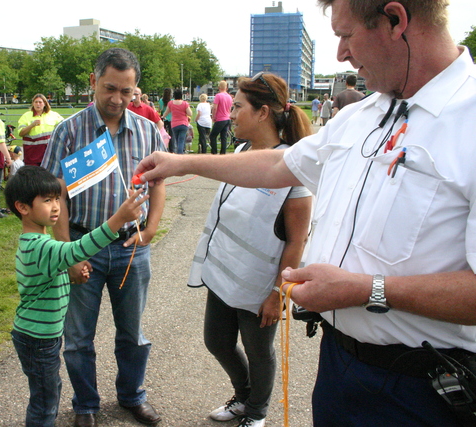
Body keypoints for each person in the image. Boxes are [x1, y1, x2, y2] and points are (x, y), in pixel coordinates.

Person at [135, 1, 476, 425]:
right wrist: (183, 162)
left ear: (395, 20)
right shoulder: (362, 115)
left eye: (346, 35)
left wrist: (366, 289)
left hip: (421, 387)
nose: (341, 55)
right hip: (338, 367)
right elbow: (281, 164)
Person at [40, 47, 166, 427]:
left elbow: (158, 183)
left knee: (133, 335)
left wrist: (152, 228)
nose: (117, 99)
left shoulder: (146, 130)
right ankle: (86, 405)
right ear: (93, 82)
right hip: (82, 246)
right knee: (78, 338)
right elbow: (54, 194)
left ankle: (132, 396)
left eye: (126, 92)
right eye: (109, 88)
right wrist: (67, 253)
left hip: (131, 248)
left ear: (135, 90)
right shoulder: (69, 131)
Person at [190, 73, 312, 427]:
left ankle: (256, 413)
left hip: (261, 286)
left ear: (262, 113)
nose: (228, 115)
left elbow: (296, 240)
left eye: (237, 107)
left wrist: (279, 294)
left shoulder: (293, 169)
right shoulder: (242, 151)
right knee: (217, 342)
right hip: (224, 276)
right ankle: (243, 397)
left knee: (259, 352)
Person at [4, 166, 148, 427]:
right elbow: (81, 247)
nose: (56, 206)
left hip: (39, 336)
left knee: (49, 393)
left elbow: (48, 281)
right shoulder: (41, 246)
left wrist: (70, 276)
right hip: (36, 339)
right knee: (45, 404)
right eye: (47, 200)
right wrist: (118, 218)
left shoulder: (39, 243)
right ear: (23, 207)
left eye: (57, 198)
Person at [17, 94, 64, 167]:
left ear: (45, 103)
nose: (38, 104)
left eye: (40, 102)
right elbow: (21, 133)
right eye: (36, 102)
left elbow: (64, 126)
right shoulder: (26, 116)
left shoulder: (53, 115)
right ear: (33, 103)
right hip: (32, 154)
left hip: (48, 154)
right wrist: (32, 125)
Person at [161, 89, 192, 155]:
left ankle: (179, 153)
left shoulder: (170, 103)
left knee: (177, 140)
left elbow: (166, 112)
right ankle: (180, 154)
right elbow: (190, 113)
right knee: (181, 140)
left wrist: (162, 117)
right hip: (183, 124)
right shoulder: (185, 103)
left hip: (174, 124)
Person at [209, 81, 233, 154]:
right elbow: (230, 108)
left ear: (219, 87)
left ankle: (214, 152)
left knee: (212, 136)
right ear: (226, 87)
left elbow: (215, 107)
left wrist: (213, 116)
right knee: (224, 137)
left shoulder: (218, 96)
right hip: (227, 118)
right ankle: (223, 152)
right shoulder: (229, 97)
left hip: (220, 118)